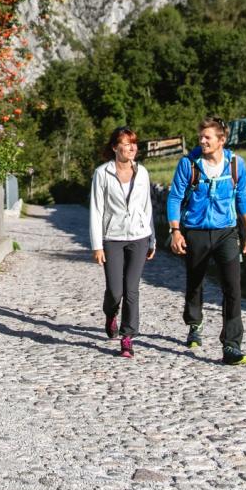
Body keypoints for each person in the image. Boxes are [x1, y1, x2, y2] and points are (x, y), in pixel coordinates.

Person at [167, 116, 246, 365]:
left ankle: (231, 345)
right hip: (195, 230)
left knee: (232, 287)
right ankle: (194, 323)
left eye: (208, 137)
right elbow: (174, 197)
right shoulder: (189, 164)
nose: (202, 141)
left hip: (226, 231)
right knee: (195, 281)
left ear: (221, 140)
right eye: (201, 137)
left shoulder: (236, 165)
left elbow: (243, 198)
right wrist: (176, 231)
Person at [89, 126, 155, 359]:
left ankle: (127, 337)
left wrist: (152, 239)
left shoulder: (143, 173)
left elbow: (147, 207)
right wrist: (97, 245)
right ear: (115, 147)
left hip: (139, 236)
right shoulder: (102, 173)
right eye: (126, 144)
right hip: (112, 238)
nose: (131, 148)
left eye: (133, 143)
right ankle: (110, 314)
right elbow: (97, 210)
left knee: (132, 289)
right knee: (115, 291)